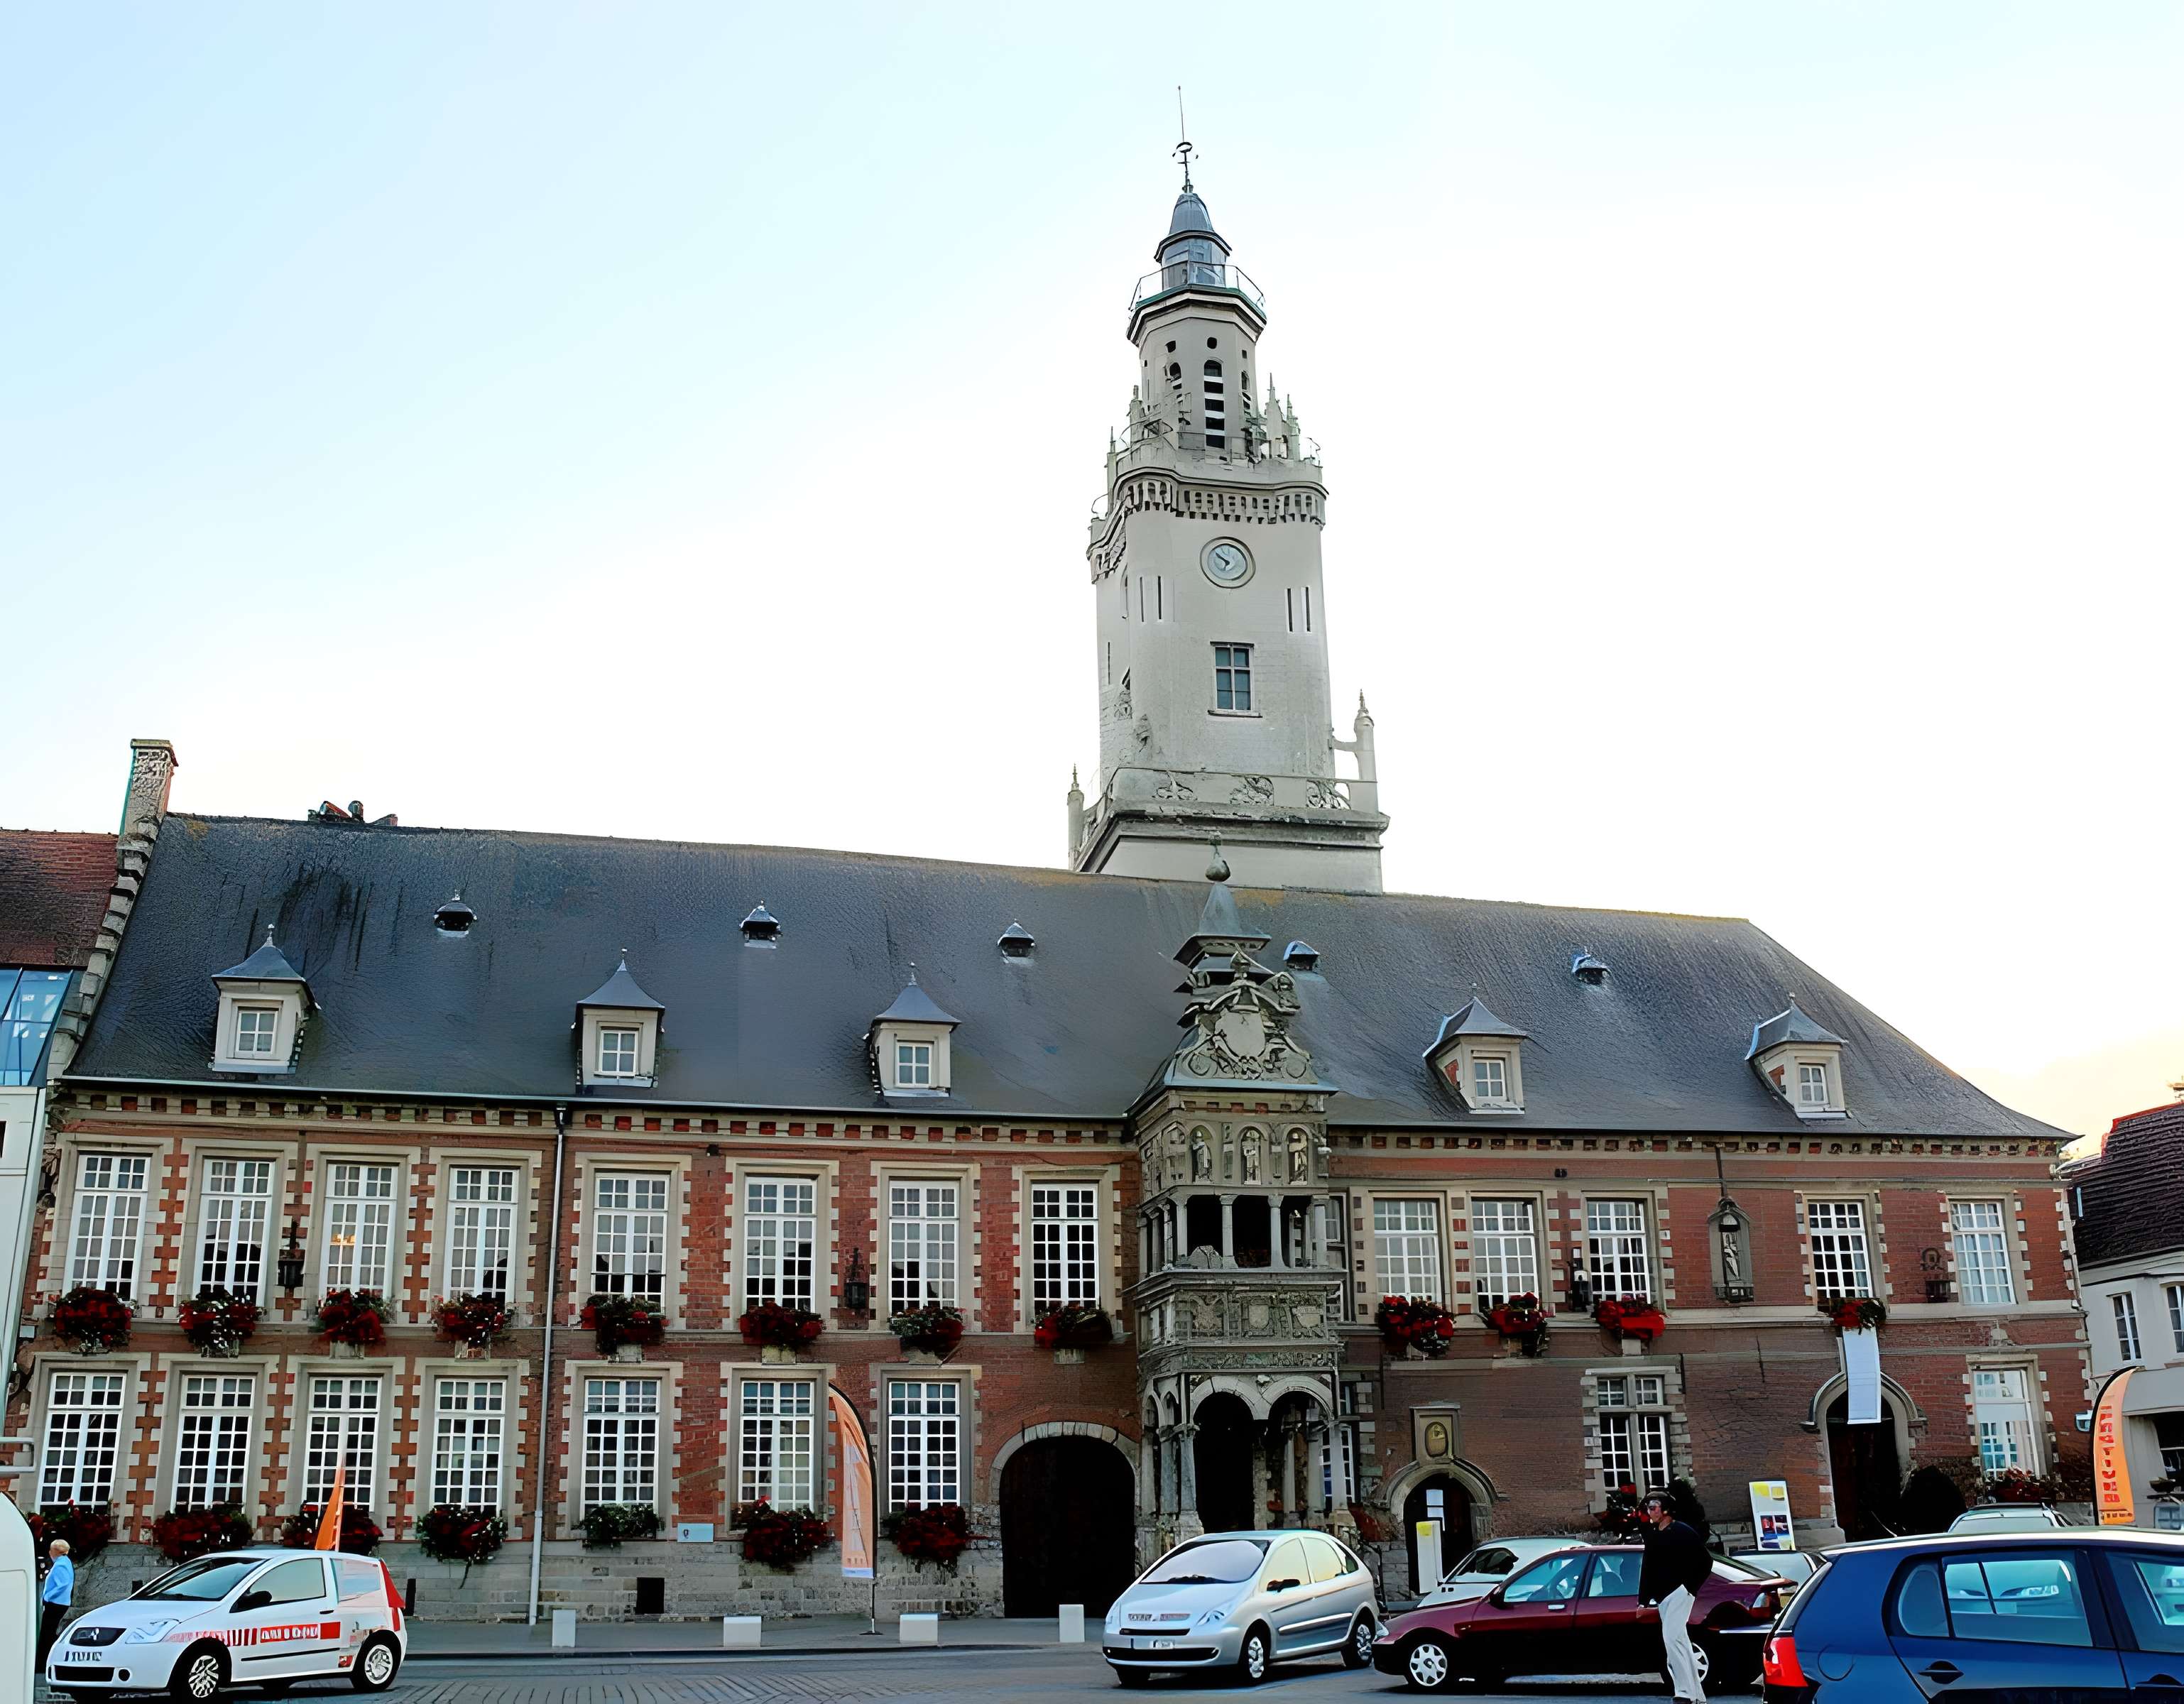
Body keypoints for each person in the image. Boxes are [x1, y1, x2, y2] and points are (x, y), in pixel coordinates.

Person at [1637, 1491, 1711, 1703]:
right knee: (1681, 1641)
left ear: (1666, 1509)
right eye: (1648, 1508)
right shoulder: (1653, 1534)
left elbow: (1705, 1561)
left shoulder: (1682, 1531)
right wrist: (1643, 1600)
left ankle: (1684, 1693)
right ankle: (1697, 1695)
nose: (1650, 1512)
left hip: (1680, 1594)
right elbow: (1648, 1568)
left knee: (1671, 1639)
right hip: (1663, 1598)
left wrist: (1689, 1588)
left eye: (1654, 1507)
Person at [38, 1537, 75, 1667]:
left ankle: (43, 1662)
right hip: (59, 1603)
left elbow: (63, 1584)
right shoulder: (64, 1562)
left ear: (55, 1552)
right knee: (49, 1631)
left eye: (51, 1550)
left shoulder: (61, 1564)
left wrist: (48, 1597)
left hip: (56, 1603)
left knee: (47, 1633)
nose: (49, 1552)